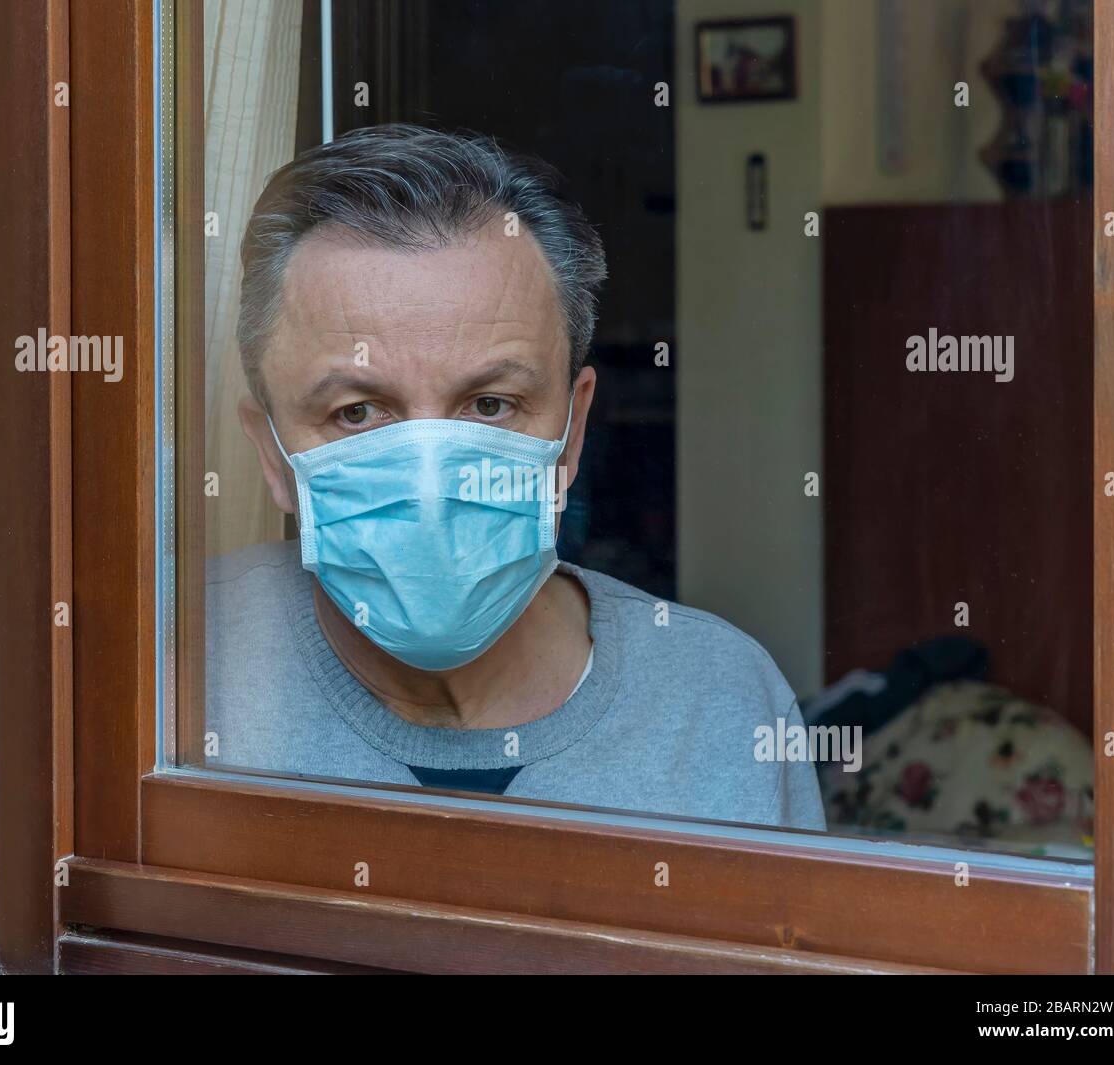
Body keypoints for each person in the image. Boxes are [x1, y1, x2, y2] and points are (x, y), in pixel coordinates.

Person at [205, 124, 824, 830]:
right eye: (358, 411)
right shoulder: (164, 680)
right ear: (269, 451)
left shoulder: (722, 702)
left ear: (573, 430)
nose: (431, 481)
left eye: (491, 404)